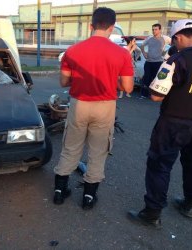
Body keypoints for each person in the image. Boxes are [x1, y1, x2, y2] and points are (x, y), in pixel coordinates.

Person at [127, 19, 192, 228]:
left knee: (159, 165)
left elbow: (156, 96)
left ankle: (152, 212)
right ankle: (191, 204)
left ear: (178, 37)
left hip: (173, 123)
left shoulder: (176, 60)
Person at [53, 7, 134, 210]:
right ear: (112, 27)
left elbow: (64, 82)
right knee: (98, 152)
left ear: (91, 25)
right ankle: (89, 197)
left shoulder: (72, 51)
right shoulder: (122, 54)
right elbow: (128, 87)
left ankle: (59, 192)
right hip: (105, 106)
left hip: (78, 104)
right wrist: (109, 80)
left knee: (70, 148)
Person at [140, 23, 171, 99]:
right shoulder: (149, 38)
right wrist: (144, 53)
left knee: (156, 79)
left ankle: (154, 95)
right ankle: (144, 95)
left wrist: (166, 54)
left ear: (160, 30)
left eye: (156, 29)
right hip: (149, 62)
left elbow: (174, 43)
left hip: (158, 62)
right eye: (153, 29)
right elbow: (142, 45)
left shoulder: (165, 38)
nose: (154, 31)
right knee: (146, 78)